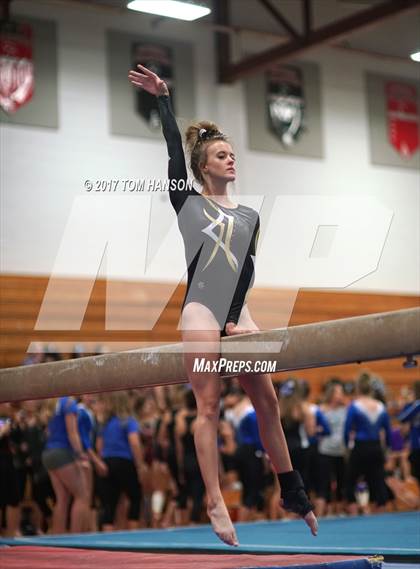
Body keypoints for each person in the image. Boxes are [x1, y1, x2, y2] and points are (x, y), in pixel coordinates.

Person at [128, 64, 317, 545]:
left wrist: (236, 319)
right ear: (203, 166)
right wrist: (164, 99)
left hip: (235, 309)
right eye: (221, 155)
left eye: (233, 154)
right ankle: (214, 499)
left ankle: (290, 487)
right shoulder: (188, 203)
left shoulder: (250, 215)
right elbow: (174, 152)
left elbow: (245, 270)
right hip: (201, 309)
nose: (231, 160)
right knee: (208, 406)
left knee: (268, 401)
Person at [344, 373, 391, 514]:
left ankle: (353, 510)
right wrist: (386, 450)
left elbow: (347, 430)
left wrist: (347, 447)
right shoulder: (381, 407)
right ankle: (380, 510)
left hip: (360, 447)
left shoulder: (355, 406)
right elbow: (388, 431)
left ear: (358, 388)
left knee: (350, 480)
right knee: (378, 481)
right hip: (376, 447)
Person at [41, 397, 90, 533]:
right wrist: (81, 455)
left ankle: (58, 537)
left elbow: (48, 431)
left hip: (48, 453)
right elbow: (72, 433)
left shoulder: (52, 402)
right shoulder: (69, 402)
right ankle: (75, 538)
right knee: (81, 496)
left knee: (62, 498)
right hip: (62, 453)